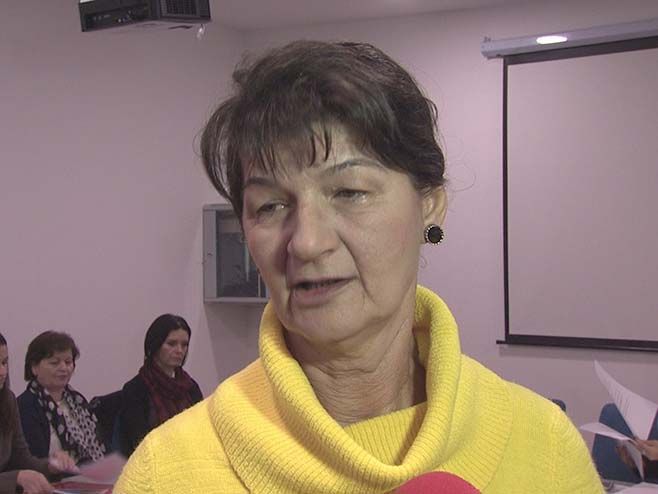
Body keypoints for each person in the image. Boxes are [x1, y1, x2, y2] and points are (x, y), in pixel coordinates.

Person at [115, 40, 603, 493]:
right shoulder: (167, 474)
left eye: (349, 192)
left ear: (430, 206)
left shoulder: (546, 450)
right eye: (270, 206)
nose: (307, 242)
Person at [1, 333, 78, 494]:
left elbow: (22, 459)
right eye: (54, 362)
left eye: (4, 362)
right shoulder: (28, 404)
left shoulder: (8, 400)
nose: (3, 371)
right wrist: (15, 478)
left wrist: (50, 465)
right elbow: (17, 472)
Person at [118, 314, 202, 458]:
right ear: (155, 346)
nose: (179, 350)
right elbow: (139, 442)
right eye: (171, 344)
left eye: (184, 345)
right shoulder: (136, 389)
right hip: (153, 462)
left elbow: (202, 431)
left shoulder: (190, 387)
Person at [17, 331, 105, 465]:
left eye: (68, 362)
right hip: (50, 476)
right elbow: (32, 459)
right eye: (54, 363)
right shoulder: (27, 405)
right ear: (34, 367)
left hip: (89, 474)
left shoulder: (78, 401)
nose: (64, 368)